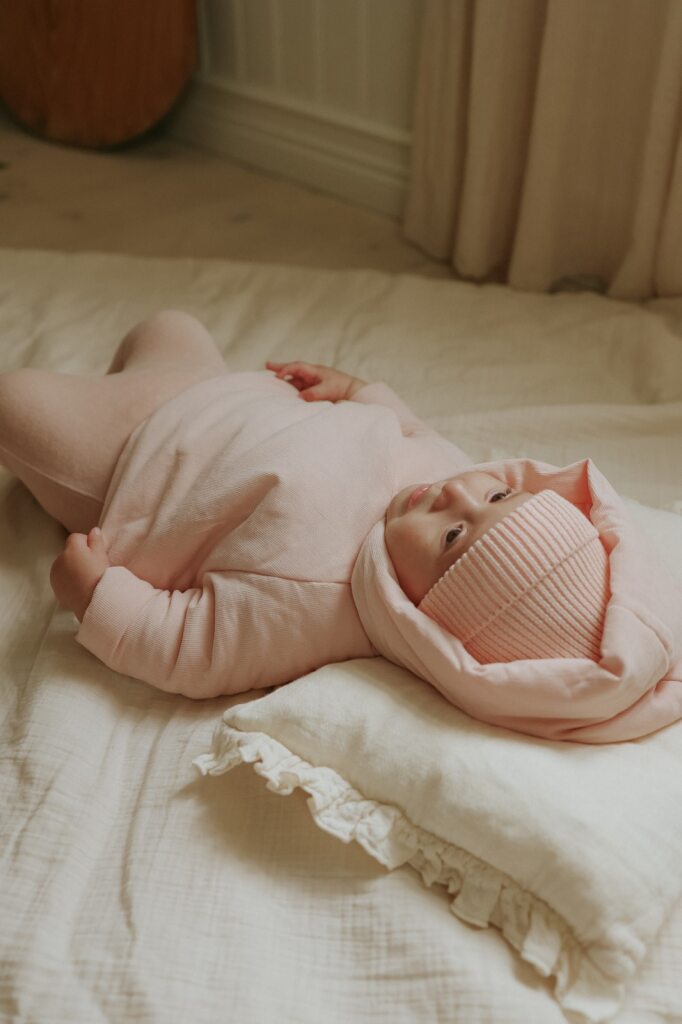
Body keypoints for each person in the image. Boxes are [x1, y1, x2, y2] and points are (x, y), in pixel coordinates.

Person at [1, 310, 681, 742]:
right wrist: (357, 392)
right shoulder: (443, 472)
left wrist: (97, 597)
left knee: (17, 403)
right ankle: (140, 361)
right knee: (167, 325)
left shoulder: (319, 605)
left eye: (451, 538)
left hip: (127, 461)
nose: (454, 496)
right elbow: (411, 427)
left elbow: (193, 645)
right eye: (498, 494)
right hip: (220, 387)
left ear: (424, 611)